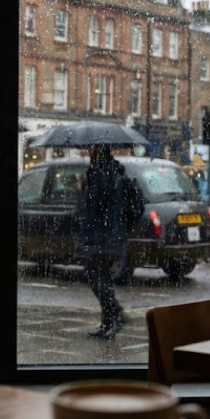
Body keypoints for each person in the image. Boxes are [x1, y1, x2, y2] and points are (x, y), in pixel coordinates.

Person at [77, 144, 129, 339]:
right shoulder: (114, 170)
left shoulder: (101, 172)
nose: (89, 152)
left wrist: (84, 187)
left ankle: (115, 316)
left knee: (95, 276)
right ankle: (109, 321)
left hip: (101, 234)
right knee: (102, 277)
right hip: (111, 232)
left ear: (99, 151)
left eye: (92, 149)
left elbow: (96, 202)